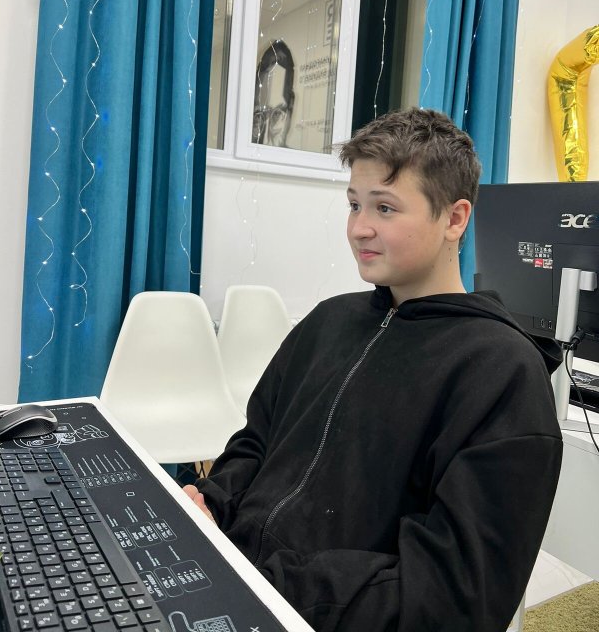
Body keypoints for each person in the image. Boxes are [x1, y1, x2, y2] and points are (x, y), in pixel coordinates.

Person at [184, 108, 563, 632]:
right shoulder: (328, 320)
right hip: (229, 582)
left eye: (385, 208)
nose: (359, 228)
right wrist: (210, 505)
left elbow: (457, 597)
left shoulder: (500, 373)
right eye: (354, 204)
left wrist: (270, 585)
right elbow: (257, 443)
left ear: (455, 219)